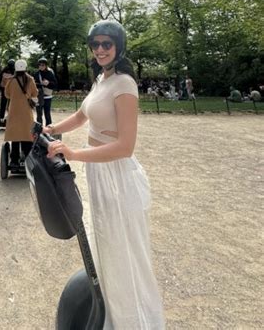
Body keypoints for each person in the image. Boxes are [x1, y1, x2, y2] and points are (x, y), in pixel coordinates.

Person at [44, 20, 165, 329]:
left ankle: (130, 321)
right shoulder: (102, 79)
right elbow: (83, 114)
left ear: (118, 46)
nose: (100, 49)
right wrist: (54, 128)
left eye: (106, 44)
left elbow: (125, 146)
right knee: (106, 245)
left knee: (122, 249)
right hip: (100, 173)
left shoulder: (125, 84)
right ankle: (109, 310)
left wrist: (73, 153)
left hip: (118, 176)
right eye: (95, 44)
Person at [4, 59, 38, 166]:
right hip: (26, 111)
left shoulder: (11, 80)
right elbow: (35, 93)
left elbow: (7, 95)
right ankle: (27, 157)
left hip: (14, 110)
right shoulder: (30, 79)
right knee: (26, 134)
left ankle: (14, 159)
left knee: (15, 136)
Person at [33, 57, 57, 126]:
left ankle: (48, 130)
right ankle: (39, 130)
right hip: (39, 96)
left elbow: (55, 85)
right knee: (39, 114)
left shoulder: (50, 73)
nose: (41, 66)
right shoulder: (36, 74)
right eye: (40, 65)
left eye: (43, 65)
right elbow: (33, 84)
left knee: (47, 114)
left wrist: (48, 83)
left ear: (46, 65)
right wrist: (40, 84)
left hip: (47, 96)